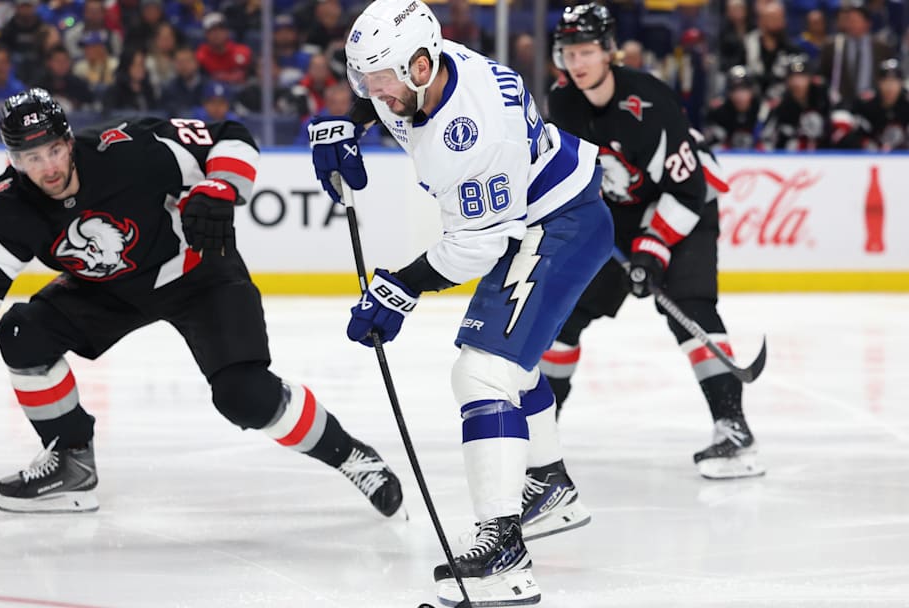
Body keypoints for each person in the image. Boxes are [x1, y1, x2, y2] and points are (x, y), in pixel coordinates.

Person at [0, 88, 404, 522]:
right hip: (105, 292)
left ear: (69, 141)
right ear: (13, 159)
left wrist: (221, 187)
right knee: (22, 332)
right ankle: (71, 462)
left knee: (246, 396)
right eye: (32, 157)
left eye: (54, 150)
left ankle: (351, 456)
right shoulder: (8, 205)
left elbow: (230, 136)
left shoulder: (128, 150)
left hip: (196, 273)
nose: (49, 168)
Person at [308, 1, 611, 605]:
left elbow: (473, 248)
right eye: (364, 82)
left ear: (422, 65)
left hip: (558, 223)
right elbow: (378, 96)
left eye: (384, 82)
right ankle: (547, 484)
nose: (375, 93)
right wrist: (349, 123)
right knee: (511, 363)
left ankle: (503, 552)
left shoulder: (470, 133)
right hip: (535, 217)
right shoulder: (420, 77)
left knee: (482, 373)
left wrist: (398, 289)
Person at [545, 3, 765, 481]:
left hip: (684, 205)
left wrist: (653, 249)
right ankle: (538, 434)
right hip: (617, 215)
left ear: (608, 51)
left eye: (585, 51)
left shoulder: (650, 100)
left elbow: (686, 190)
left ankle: (733, 427)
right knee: (563, 312)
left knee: (689, 306)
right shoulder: (563, 102)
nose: (577, 62)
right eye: (568, 52)